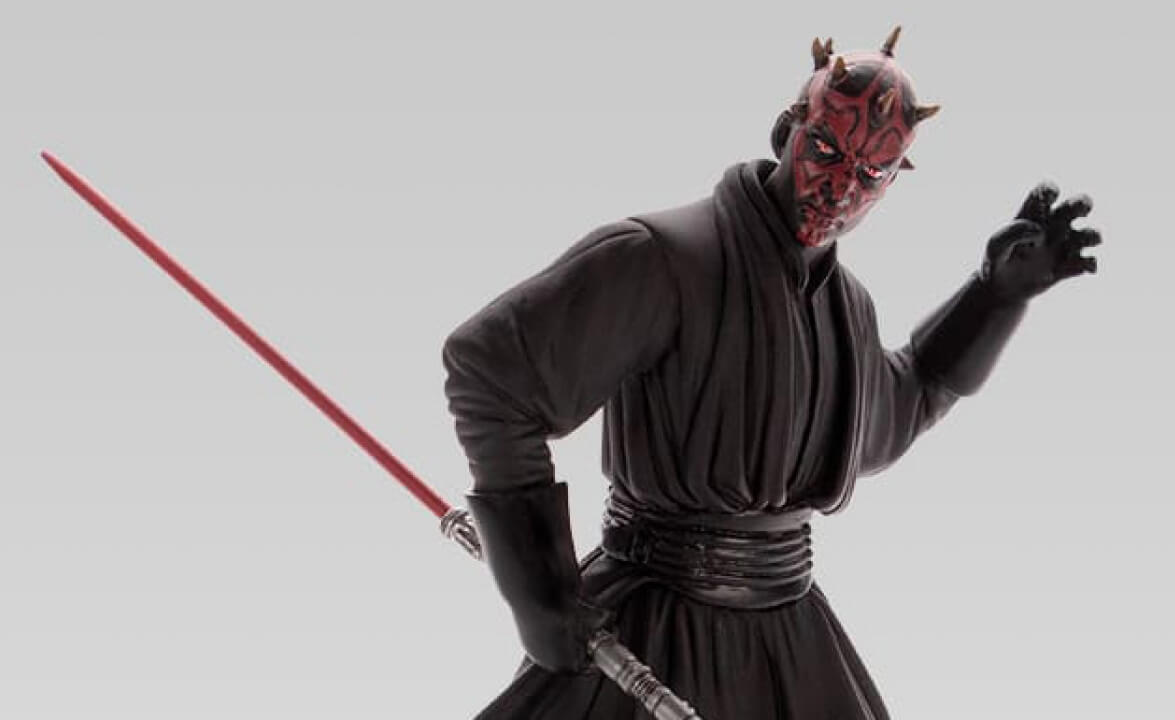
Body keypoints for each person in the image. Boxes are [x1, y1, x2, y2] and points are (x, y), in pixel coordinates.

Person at [442, 26, 1101, 719]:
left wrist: (991, 299)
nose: (841, 188)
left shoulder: (844, 308)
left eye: (870, 174)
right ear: (788, 132)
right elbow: (492, 373)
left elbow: (898, 408)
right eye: (827, 150)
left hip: (789, 628)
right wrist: (539, 590)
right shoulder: (662, 259)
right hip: (652, 614)